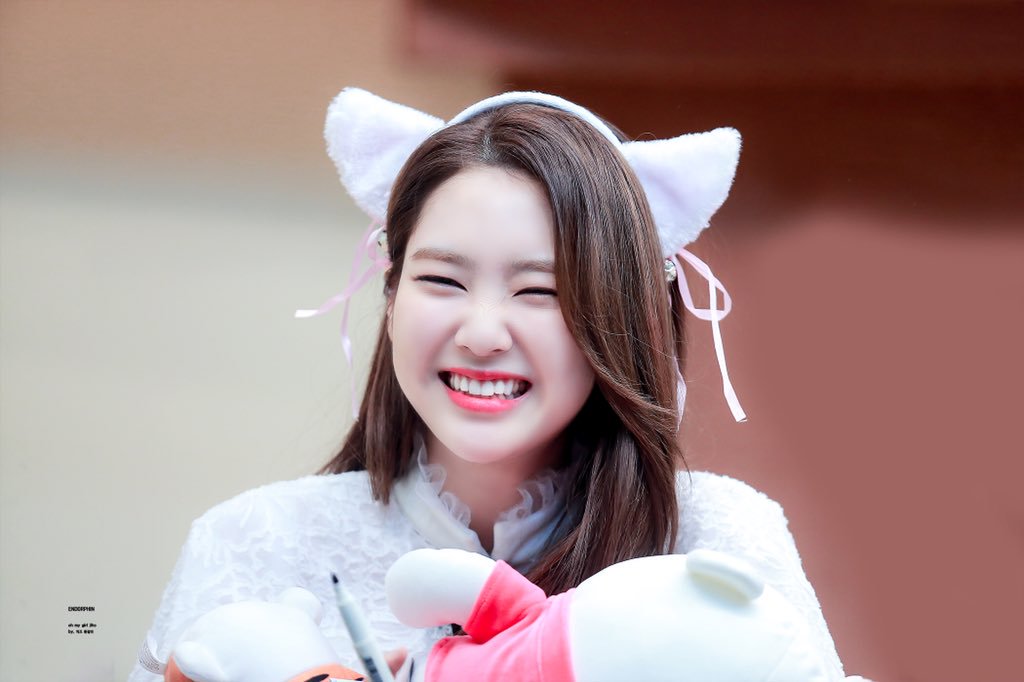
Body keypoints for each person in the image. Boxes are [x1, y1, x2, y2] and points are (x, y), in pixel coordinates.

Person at [128, 88, 849, 681]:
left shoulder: (716, 544)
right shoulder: (256, 541)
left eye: (541, 291)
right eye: (443, 280)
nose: (481, 333)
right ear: (391, 292)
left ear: (622, 312)